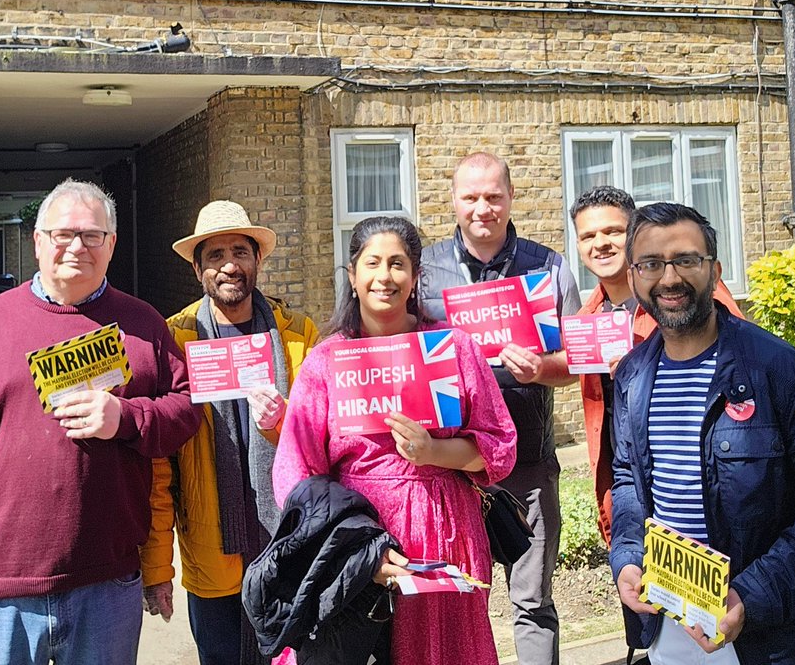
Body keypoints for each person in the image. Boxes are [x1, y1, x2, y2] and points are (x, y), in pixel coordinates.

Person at [0, 178, 201, 664]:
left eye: (92, 235)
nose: (77, 246)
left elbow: (187, 409)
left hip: (107, 582)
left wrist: (125, 418)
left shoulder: (143, 324)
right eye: (62, 234)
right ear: (38, 241)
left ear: (111, 245)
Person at [272, 216, 517, 664]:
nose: (384, 277)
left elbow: (499, 446)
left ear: (416, 274)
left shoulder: (452, 349)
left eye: (398, 264)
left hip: (444, 534)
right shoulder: (326, 362)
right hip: (356, 543)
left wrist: (433, 452)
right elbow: (296, 472)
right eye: (372, 263)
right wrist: (354, 550)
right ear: (352, 275)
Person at [611, 202, 795, 664]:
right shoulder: (632, 377)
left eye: (687, 260)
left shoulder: (783, 373)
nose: (669, 278)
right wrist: (629, 558)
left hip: (770, 633)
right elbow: (628, 481)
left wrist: (750, 595)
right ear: (634, 277)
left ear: (714, 270)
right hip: (667, 623)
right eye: (652, 264)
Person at [417, 151, 579, 664]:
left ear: (511, 198)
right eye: (471, 197)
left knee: (532, 603)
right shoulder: (424, 271)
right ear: (454, 201)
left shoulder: (549, 267)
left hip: (528, 462)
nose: (482, 207)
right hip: (453, 468)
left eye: (493, 196)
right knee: (457, 604)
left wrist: (541, 368)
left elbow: (578, 360)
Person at [142, 200, 320, 665]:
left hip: (286, 546)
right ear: (198, 268)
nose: (229, 266)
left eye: (240, 252)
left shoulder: (298, 336)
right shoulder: (174, 340)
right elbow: (159, 468)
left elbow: (324, 445)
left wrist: (283, 422)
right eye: (215, 256)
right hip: (210, 551)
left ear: (257, 260)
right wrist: (157, 567)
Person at [567, 186, 742, 544]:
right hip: (631, 493)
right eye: (588, 235)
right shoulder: (586, 319)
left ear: (634, 236)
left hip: (706, 493)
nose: (600, 243)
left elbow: (741, 360)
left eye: (613, 231)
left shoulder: (689, 294)